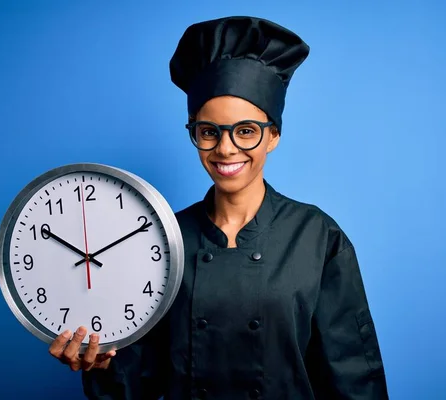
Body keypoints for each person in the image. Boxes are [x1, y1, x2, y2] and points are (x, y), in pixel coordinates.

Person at [48, 15, 389, 399]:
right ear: (194, 132)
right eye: (209, 132)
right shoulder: (161, 239)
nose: (226, 149)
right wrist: (101, 363)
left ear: (273, 135)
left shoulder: (317, 237)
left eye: (246, 131)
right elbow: (138, 377)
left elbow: (353, 375)